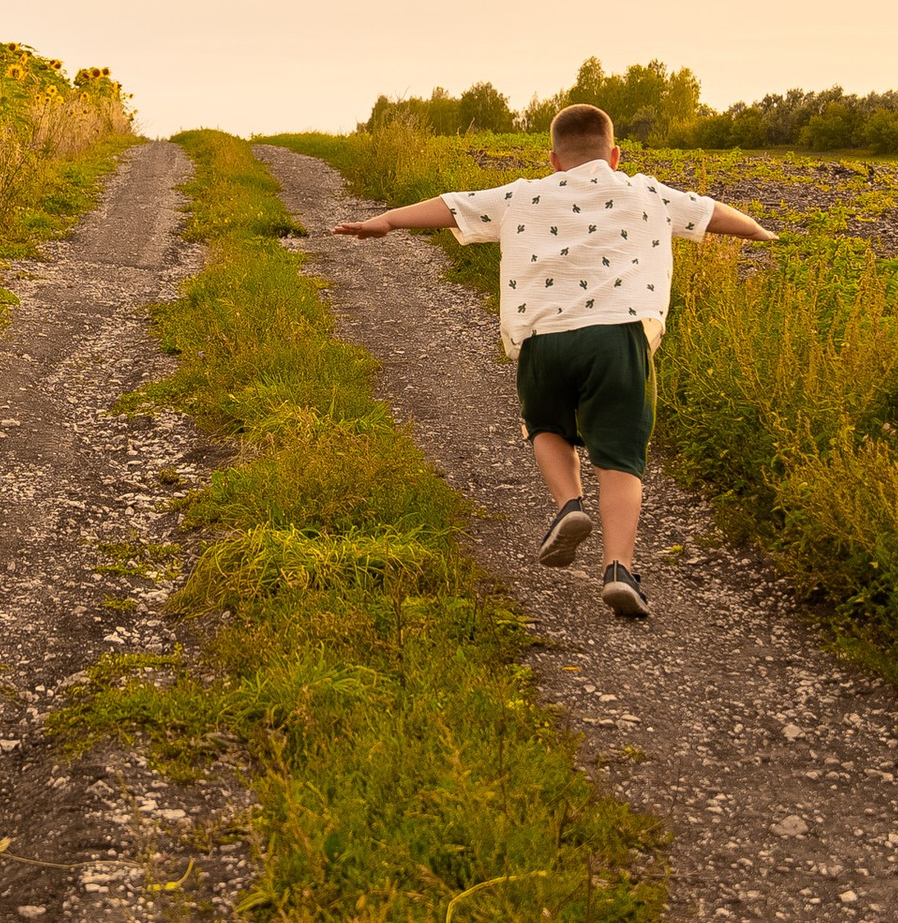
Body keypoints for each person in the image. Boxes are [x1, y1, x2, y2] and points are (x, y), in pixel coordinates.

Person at [332, 102, 775, 622]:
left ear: (554, 159)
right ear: (614, 154)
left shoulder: (523, 193)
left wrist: (383, 222)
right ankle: (619, 569)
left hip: (542, 339)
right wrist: (767, 235)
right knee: (620, 457)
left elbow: (451, 207)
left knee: (545, 425)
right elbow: (716, 214)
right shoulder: (647, 191)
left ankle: (568, 504)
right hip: (620, 336)